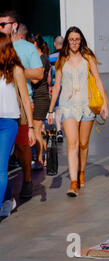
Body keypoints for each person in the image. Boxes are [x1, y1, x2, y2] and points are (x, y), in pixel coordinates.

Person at [48, 26, 109, 197]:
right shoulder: (61, 59)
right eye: (71, 39)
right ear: (67, 41)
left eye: (77, 39)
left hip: (87, 106)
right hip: (67, 106)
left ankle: (81, 172)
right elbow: (57, 85)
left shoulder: (88, 58)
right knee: (72, 144)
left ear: (81, 40)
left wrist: (105, 104)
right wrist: (51, 110)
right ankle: (73, 182)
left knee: (83, 144)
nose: (74, 42)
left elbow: (97, 80)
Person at [0, 11, 43, 203]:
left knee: (22, 146)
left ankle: (26, 179)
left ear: (14, 25)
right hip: (5, 107)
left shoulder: (26, 48)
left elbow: (39, 74)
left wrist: (15, 70)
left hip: (18, 106)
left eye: (3, 25)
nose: (0, 28)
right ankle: (8, 197)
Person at [0, 33, 36, 217]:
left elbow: (25, 98)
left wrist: (31, 127)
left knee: (1, 167)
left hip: (9, 123)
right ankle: (7, 201)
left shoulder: (16, 70)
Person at [30, 34, 51, 169]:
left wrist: (22, 72)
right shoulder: (41, 58)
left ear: (35, 44)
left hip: (40, 97)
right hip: (39, 96)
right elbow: (48, 80)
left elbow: (36, 79)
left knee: (37, 130)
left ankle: (39, 159)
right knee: (37, 129)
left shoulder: (41, 59)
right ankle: (45, 156)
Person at [49, 35, 64, 142]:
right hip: (67, 85)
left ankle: (59, 130)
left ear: (55, 44)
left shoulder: (51, 57)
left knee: (58, 107)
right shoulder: (67, 56)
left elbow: (49, 74)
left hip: (56, 85)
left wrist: (49, 85)